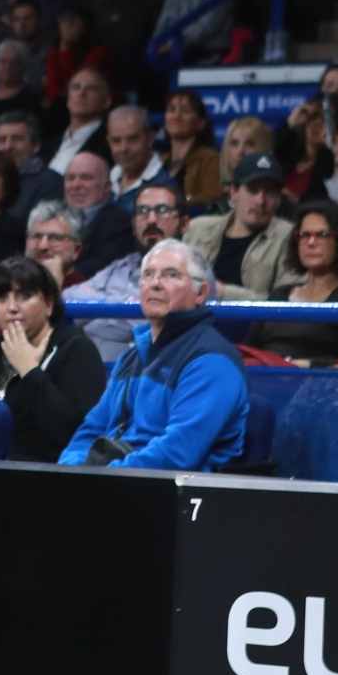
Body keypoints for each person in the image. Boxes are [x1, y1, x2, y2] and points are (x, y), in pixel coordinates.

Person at [59, 240, 247, 471]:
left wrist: (102, 478)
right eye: (148, 275)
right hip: (115, 483)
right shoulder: (131, 358)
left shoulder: (212, 361)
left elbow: (177, 453)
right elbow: (90, 430)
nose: (155, 284)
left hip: (167, 494)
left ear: (201, 293)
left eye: (171, 275)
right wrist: (70, 471)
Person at [0, 255, 104, 463]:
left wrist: (30, 370)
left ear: (49, 304)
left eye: (24, 296)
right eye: (2, 298)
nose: (12, 307)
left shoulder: (76, 349)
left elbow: (75, 433)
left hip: (45, 476)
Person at [242, 200, 338, 366]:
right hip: (264, 383)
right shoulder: (280, 294)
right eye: (304, 235)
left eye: (322, 235)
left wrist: (302, 364)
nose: (311, 243)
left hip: (314, 385)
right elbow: (249, 350)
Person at [65, 184, 188, 361]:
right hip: (96, 375)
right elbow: (69, 297)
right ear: (133, 224)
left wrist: (94, 308)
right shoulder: (121, 265)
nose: (151, 219)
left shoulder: (192, 269)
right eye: (143, 211)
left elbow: (147, 324)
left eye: (162, 210)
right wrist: (125, 304)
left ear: (184, 224)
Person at [183, 153, 291, 299]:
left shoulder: (287, 236)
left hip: (252, 321)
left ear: (278, 198)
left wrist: (223, 293)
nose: (260, 201)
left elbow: (285, 303)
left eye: (270, 193)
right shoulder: (198, 229)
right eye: (252, 190)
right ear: (234, 192)